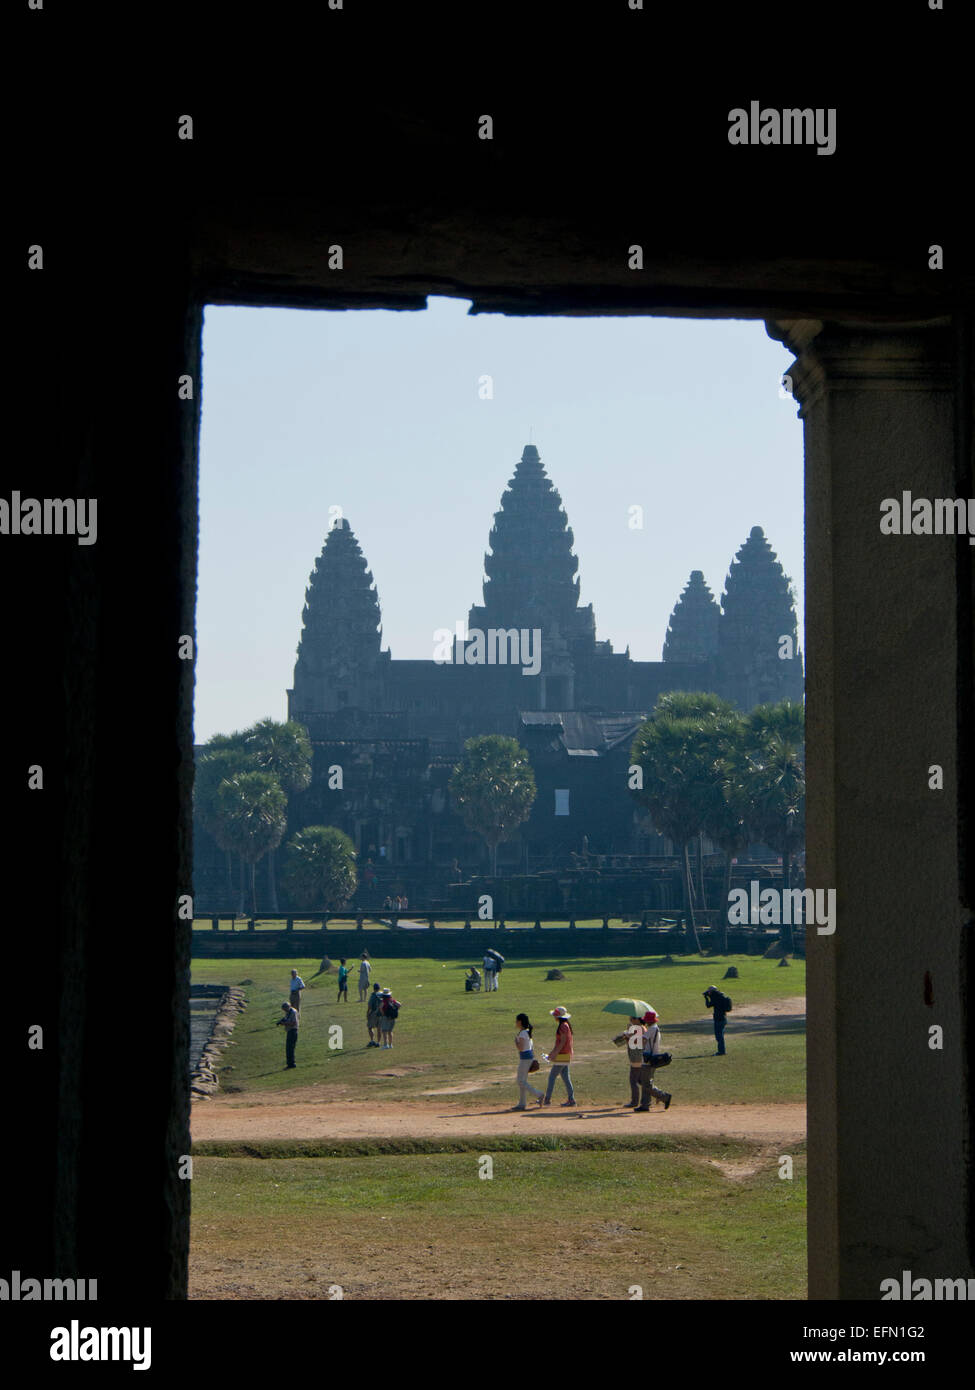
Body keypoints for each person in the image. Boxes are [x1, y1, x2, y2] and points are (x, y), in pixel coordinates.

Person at [635, 1009, 672, 1112]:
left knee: (645, 1083)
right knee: (645, 1082)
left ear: (650, 1021)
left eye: (647, 1020)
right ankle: (645, 1104)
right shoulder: (655, 1028)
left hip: (648, 1059)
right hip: (652, 1058)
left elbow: (643, 1040)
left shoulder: (651, 1029)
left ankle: (664, 1097)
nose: (645, 1022)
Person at [542, 1006, 576, 1106]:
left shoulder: (563, 1026)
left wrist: (554, 1054)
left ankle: (547, 1099)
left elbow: (562, 1042)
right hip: (566, 1054)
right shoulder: (565, 1025)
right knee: (566, 1078)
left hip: (563, 1055)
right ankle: (571, 1099)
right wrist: (553, 1053)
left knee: (552, 1076)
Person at [513, 1013, 544, 1110]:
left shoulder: (522, 1033)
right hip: (528, 1058)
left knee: (520, 1081)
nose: (516, 1023)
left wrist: (516, 1042)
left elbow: (521, 1048)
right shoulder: (526, 1032)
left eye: (517, 1021)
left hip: (525, 1059)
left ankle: (539, 1094)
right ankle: (522, 1104)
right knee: (523, 1081)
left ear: (520, 1022)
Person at [704, 984, 730, 1054]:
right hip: (723, 1018)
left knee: (719, 1036)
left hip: (718, 1019)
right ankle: (722, 1050)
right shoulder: (721, 996)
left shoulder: (715, 998)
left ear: (711, 992)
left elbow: (708, 1005)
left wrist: (706, 998)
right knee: (720, 1035)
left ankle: (721, 1051)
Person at [276, 1000, 299, 1068]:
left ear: (288, 1007)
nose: (284, 1011)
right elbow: (286, 1019)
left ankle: (291, 1064)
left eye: (285, 1009)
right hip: (290, 1031)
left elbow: (293, 1023)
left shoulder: (293, 1012)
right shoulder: (288, 1012)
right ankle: (289, 1063)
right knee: (288, 1048)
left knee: (290, 1048)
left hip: (293, 1031)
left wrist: (284, 1023)